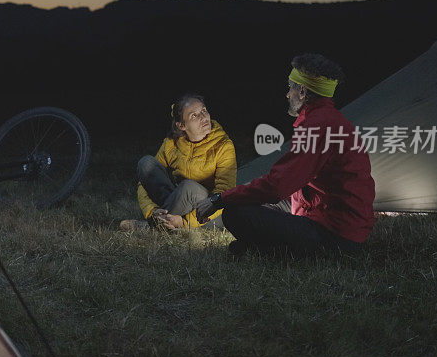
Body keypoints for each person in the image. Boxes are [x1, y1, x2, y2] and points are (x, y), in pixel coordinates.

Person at [195, 54, 375, 257]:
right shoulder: (332, 120)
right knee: (250, 200)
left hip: (334, 236)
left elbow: (277, 185)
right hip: (341, 224)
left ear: (303, 91)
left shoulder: (317, 127)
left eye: (291, 88)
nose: (288, 95)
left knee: (236, 213)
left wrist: (220, 199)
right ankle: (262, 248)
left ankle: (268, 251)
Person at [120, 94, 237, 231]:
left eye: (204, 111)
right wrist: (152, 210)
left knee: (189, 187)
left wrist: (184, 221)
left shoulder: (223, 145)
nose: (203, 117)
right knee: (146, 164)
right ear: (181, 125)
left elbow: (224, 193)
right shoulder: (172, 144)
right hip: (179, 198)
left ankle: (152, 227)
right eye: (194, 115)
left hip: (209, 209)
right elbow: (144, 183)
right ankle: (162, 219)